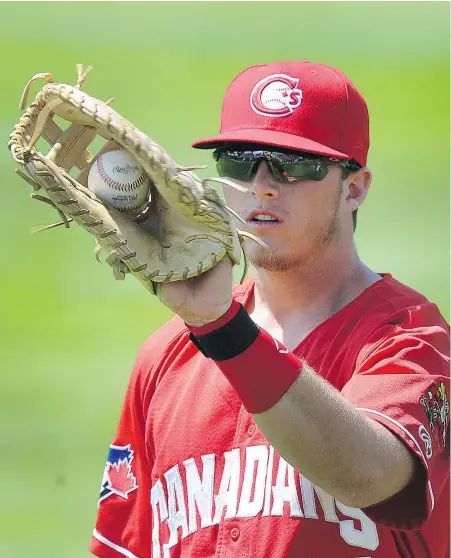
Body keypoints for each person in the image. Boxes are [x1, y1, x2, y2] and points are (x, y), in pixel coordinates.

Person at [89, 60, 450, 558]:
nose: (261, 184)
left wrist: (223, 330)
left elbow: (372, 476)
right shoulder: (165, 356)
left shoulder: (410, 338)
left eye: (294, 164)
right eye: (239, 161)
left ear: (355, 187)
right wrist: (212, 323)